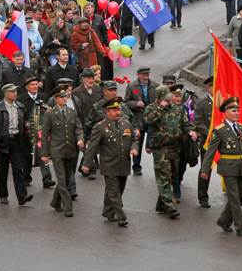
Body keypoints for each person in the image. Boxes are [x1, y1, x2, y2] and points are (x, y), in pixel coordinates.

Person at [200, 97, 242, 237]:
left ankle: (224, 220)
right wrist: (205, 170)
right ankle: (240, 226)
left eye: (238, 110)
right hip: (228, 168)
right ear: (226, 112)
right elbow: (210, 152)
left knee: (240, 198)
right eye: (234, 111)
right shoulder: (219, 131)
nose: (237, 113)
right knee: (235, 198)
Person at [81, 97, 139, 227]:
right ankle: (121, 216)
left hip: (124, 163)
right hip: (109, 164)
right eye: (114, 110)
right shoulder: (100, 127)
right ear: (107, 112)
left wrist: (134, 148)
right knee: (114, 191)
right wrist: (86, 164)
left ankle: (107, 211)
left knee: (119, 189)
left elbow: (134, 139)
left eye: (118, 109)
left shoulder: (126, 124)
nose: (117, 112)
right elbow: (92, 146)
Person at [144, 84, 198, 218]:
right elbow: (148, 121)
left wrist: (191, 131)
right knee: (164, 176)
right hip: (160, 148)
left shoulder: (177, 109)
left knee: (173, 176)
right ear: (160, 97)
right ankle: (170, 206)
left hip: (175, 148)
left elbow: (185, 124)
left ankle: (161, 204)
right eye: (166, 97)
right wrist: (160, 108)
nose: (169, 99)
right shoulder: (152, 108)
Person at [41, 85, 85, 217]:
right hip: (57, 151)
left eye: (65, 96)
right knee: (61, 179)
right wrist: (44, 153)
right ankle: (68, 206)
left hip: (70, 150)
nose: (64, 99)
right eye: (61, 97)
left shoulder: (72, 112)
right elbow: (44, 135)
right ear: (56, 99)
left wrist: (80, 139)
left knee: (65, 180)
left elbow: (78, 128)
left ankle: (55, 202)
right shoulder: (50, 114)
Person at [0, 83, 33, 205]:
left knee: (18, 169)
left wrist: (28, 129)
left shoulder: (20, 106)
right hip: (3, 142)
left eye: (16, 92)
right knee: (3, 171)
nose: (15, 94)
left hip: (17, 141)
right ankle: (3, 195)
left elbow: (24, 124)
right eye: (12, 92)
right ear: (6, 93)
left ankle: (22, 196)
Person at [19, 75, 55, 188]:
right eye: (32, 85)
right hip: (26, 133)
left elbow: (49, 112)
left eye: (36, 84)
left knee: (43, 154)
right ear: (27, 87)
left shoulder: (43, 97)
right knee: (27, 156)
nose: (35, 87)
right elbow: (19, 115)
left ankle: (47, 179)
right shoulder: (21, 99)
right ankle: (26, 178)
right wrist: (25, 124)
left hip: (41, 132)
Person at [125, 67, 158, 176]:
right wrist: (136, 104)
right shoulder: (131, 86)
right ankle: (136, 166)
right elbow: (126, 102)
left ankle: (158, 166)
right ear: (138, 75)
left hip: (152, 119)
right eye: (143, 75)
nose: (146, 77)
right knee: (137, 141)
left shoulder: (155, 85)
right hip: (138, 119)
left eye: (147, 75)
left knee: (155, 143)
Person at [194, 76, 214, 208]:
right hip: (209, 141)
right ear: (207, 88)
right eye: (212, 86)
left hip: (225, 141)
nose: (215, 88)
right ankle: (203, 196)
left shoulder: (223, 102)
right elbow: (198, 122)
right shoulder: (202, 104)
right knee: (206, 168)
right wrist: (209, 134)